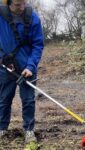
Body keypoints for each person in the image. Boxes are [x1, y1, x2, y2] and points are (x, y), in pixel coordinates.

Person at [0, 0, 44, 144]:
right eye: (18, 5)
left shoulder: (33, 18)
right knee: (4, 99)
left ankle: (29, 131)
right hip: (6, 67)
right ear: (8, 4)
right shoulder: (1, 16)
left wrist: (31, 67)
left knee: (28, 100)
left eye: (23, 3)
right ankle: (2, 129)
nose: (22, 7)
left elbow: (38, 44)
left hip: (26, 68)